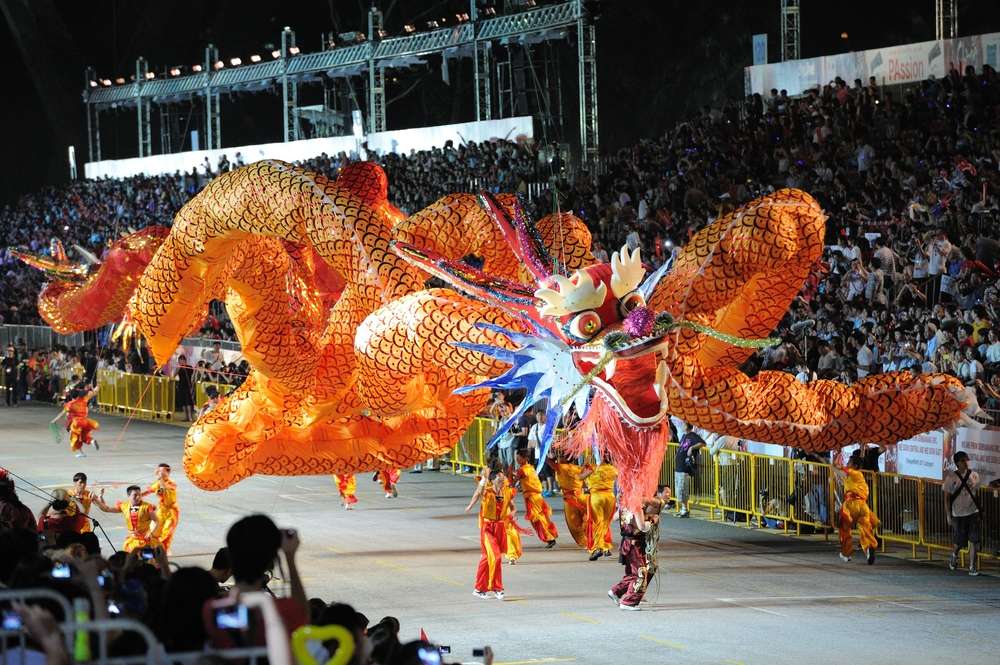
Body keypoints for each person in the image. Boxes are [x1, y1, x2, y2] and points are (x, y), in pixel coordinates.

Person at [465, 465, 514, 599]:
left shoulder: (506, 492)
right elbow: (478, 492)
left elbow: (512, 506)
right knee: (496, 556)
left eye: (502, 475)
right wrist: (470, 504)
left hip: (500, 527)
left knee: (486, 558)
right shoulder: (487, 491)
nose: (502, 477)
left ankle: (479, 589)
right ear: (494, 479)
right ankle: (497, 587)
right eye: (500, 475)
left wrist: (511, 514)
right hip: (488, 528)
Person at [834, 454, 879, 564]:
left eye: (849, 463)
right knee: (866, 528)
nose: (847, 464)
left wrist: (835, 464)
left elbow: (837, 469)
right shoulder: (858, 476)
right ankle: (869, 548)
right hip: (863, 506)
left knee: (844, 528)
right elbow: (839, 473)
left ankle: (846, 553)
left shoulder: (853, 473)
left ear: (854, 465)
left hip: (851, 505)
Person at [943, 451, 982, 576]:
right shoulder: (951, 478)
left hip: (973, 512)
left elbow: (977, 492)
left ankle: (972, 566)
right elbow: (946, 498)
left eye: (967, 460)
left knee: (974, 540)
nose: (966, 463)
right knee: (959, 542)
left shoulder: (974, 475)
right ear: (957, 463)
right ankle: (954, 555)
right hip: (958, 514)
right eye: (963, 461)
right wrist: (948, 515)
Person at [609, 502, 653, 610]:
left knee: (632, 574)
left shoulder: (624, 506)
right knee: (640, 573)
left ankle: (616, 591)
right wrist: (651, 521)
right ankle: (628, 601)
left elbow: (614, 518)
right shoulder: (636, 507)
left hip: (626, 543)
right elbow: (642, 527)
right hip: (634, 545)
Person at [93, 484, 161, 552]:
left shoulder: (147, 507)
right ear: (129, 496)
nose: (138, 497)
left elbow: (156, 521)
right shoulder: (124, 506)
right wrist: (97, 499)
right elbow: (106, 509)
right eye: (135, 495)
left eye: (139, 495)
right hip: (132, 541)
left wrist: (150, 533)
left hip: (146, 541)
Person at [512, 449, 558, 548]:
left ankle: (549, 537)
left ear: (524, 458)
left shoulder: (522, 470)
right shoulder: (530, 468)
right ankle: (550, 535)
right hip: (537, 497)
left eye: (518, 458)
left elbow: (513, 482)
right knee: (541, 517)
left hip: (532, 498)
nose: (517, 460)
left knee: (537, 519)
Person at [580, 456, 617, 560]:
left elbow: (580, 477)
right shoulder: (613, 469)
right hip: (610, 497)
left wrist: (584, 465)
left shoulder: (593, 468)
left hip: (597, 497)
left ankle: (598, 548)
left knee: (597, 523)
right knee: (605, 523)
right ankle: (606, 548)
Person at [548, 452, 588, 549]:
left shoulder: (562, 467)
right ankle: (591, 538)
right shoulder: (578, 468)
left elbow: (549, 463)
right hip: (582, 497)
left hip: (571, 500)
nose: (559, 458)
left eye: (561, 456)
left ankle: (584, 542)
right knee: (586, 518)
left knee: (574, 524)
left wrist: (545, 453)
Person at [52, 386, 99, 457]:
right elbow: (95, 392)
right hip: (86, 421)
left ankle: (82, 453)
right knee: (84, 436)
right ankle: (92, 441)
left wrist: (55, 420)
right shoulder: (84, 399)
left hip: (76, 423)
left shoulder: (70, 404)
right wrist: (97, 385)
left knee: (75, 438)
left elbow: (62, 413)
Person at [143, 463, 180, 553]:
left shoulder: (172, 484)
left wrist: (161, 480)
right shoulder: (158, 483)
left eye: (162, 470)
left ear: (168, 472)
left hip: (171, 512)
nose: (160, 472)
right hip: (161, 510)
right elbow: (149, 491)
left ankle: (163, 551)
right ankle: (153, 549)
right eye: (159, 470)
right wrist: (138, 495)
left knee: (166, 532)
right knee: (154, 531)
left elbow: (164, 489)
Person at [674, 430, 706, 517]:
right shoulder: (684, 435)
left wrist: (691, 448)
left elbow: (703, 443)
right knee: (679, 490)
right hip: (678, 466)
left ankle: (685, 509)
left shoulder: (692, 435)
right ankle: (683, 509)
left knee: (682, 489)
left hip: (684, 467)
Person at [175, 354, 195, 421]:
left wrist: (185, 368)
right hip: (181, 386)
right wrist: (178, 368)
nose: (180, 362)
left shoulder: (189, 367)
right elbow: (174, 375)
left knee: (188, 402)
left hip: (187, 386)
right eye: (179, 360)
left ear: (185, 360)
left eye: (181, 360)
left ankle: (190, 417)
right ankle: (186, 417)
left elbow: (192, 376)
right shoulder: (178, 368)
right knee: (183, 402)